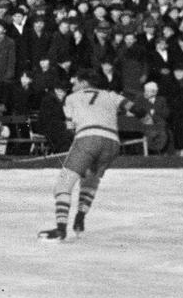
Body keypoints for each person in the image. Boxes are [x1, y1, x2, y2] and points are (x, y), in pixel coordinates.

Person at [38, 67, 136, 241]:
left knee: (63, 186)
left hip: (88, 139)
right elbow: (137, 110)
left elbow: (71, 127)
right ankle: (80, 219)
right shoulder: (111, 95)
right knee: (90, 181)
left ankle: (61, 230)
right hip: (112, 143)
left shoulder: (71, 98)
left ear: (84, 83)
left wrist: (77, 146)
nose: (72, 84)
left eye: (75, 81)